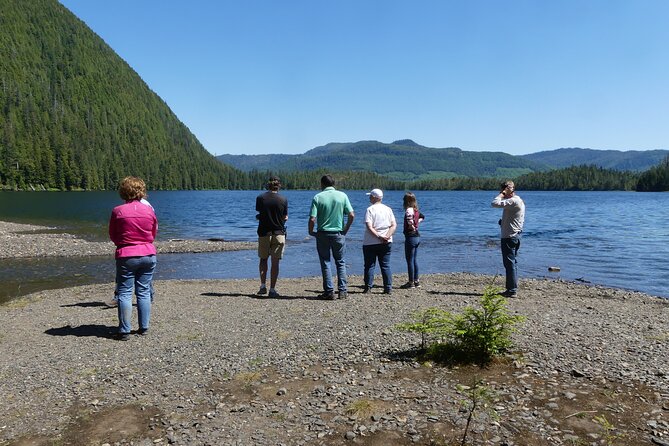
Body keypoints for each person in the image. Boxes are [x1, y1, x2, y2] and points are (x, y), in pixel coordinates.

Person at [109, 176, 158, 340]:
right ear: (141, 192)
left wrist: (123, 244)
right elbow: (153, 233)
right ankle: (144, 327)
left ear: (123, 192)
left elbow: (113, 234)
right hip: (148, 254)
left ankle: (124, 330)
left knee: (124, 292)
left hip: (127, 255)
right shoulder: (149, 210)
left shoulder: (118, 211)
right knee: (143, 291)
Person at [308, 174, 355, 300]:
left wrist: (310, 231)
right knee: (340, 262)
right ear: (333, 184)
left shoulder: (318, 197)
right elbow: (351, 215)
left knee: (325, 262)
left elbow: (312, 218)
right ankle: (343, 291)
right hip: (338, 233)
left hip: (322, 233)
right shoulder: (342, 196)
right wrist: (346, 229)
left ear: (322, 184)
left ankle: (329, 291)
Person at [491, 180, 525, 298]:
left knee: (509, 264)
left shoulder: (513, 201)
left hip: (509, 237)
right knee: (512, 263)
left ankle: (511, 290)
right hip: (515, 235)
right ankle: (511, 288)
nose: (502, 193)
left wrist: (502, 194)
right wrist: (504, 223)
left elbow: (494, 203)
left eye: (503, 190)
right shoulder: (518, 201)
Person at [255, 176, 288, 298]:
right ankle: (272, 289)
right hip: (279, 233)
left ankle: (263, 286)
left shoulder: (260, 198)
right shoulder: (283, 199)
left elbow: (260, 213)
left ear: (268, 185)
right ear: (279, 186)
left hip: (264, 232)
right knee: (275, 262)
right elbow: (285, 217)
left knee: (263, 259)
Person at [362, 188, 397, 294]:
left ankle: (368, 287)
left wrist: (378, 236)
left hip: (370, 242)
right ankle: (388, 288)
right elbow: (394, 225)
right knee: (385, 265)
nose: (369, 198)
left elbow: (369, 226)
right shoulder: (388, 209)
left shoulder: (370, 209)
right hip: (386, 242)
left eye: (370, 196)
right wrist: (387, 236)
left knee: (369, 265)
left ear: (374, 197)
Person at [400, 192, 425, 289]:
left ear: (406, 201)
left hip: (410, 237)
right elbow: (423, 217)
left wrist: (413, 226)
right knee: (414, 259)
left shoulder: (408, 210)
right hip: (417, 237)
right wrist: (417, 222)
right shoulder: (416, 210)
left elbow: (409, 221)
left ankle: (411, 282)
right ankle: (416, 281)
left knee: (409, 260)